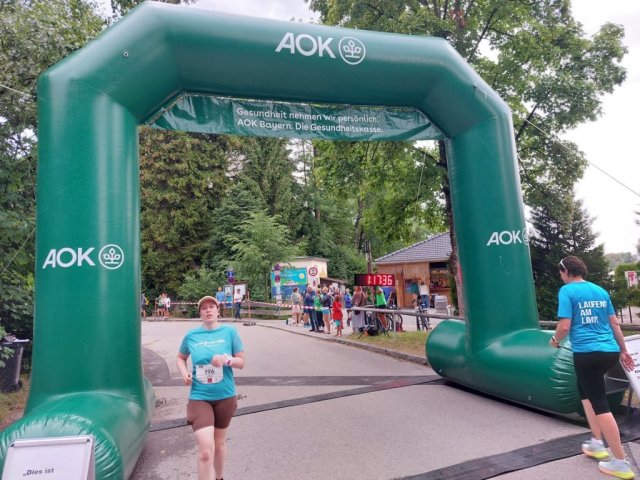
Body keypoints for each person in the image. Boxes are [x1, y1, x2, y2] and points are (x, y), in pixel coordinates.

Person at [550, 255, 635, 479]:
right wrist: (623, 350)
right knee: (584, 392)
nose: (560, 276)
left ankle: (620, 463)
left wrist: (555, 340)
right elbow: (614, 323)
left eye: (560, 272)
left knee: (599, 404)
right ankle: (596, 442)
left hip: (587, 354)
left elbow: (565, 326)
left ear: (565, 271)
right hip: (609, 352)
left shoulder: (567, 291)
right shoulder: (600, 291)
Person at [176, 296, 245, 480]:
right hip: (200, 397)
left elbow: (241, 362)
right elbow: (180, 358)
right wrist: (184, 373)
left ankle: (219, 477)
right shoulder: (192, 335)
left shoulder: (230, 332)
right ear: (200, 313)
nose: (208, 310)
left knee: (219, 444)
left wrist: (226, 360)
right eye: (204, 308)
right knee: (206, 450)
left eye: (211, 307)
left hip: (225, 396)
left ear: (217, 311)